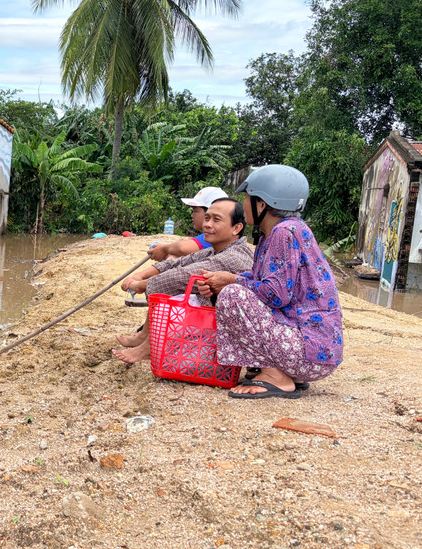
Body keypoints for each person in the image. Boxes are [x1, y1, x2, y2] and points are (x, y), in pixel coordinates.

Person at [196, 165, 343, 399]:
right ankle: (285, 373)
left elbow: (276, 294)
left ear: (262, 204)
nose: (244, 204)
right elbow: (260, 280)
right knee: (232, 289)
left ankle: (275, 376)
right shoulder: (284, 231)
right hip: (314, 353)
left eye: (247, 198)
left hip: (306, 354)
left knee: (232, 295)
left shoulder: (283, 233)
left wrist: (231, 281)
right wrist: (221, 280)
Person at [113, 198, 253, 363]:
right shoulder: (216, 249)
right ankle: (144, 336)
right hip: (216, 318)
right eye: (207, 218)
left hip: (229, 329)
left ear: (236, 228)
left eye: (216, 220)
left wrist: (142, 285)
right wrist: (140, 275)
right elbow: (178, 263)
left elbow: (180, 276)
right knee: (170, 285)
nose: (207, 224)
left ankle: (149, 347)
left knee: (172, 291)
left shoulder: (233, 257)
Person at [148, 186, 229, 262]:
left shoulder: (214, 236)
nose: (192, 215)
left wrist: (164, 249)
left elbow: (182, 248)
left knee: (172, 258)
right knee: (157, 246)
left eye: (195, 211)